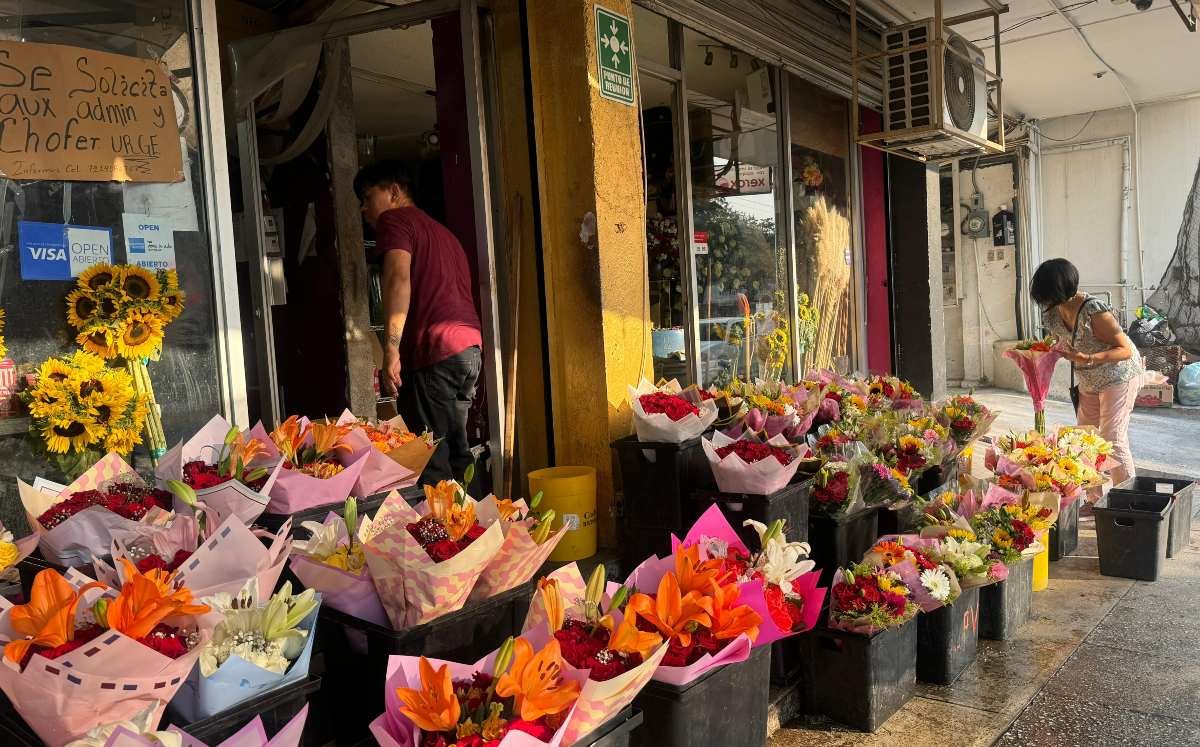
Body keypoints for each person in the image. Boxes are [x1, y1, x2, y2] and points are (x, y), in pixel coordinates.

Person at [355, 160, 483, 485]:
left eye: (368, 197)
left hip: (434, 353)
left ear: (394, 191)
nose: (363, 208)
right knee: (458, 453)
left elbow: (398, 280)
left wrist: (391, 349)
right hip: (467, 352)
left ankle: (443, 519)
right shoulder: (443, 234)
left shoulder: (394, 220)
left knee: (431, 461)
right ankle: (477, 516)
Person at [1030, 258, 1144, 491]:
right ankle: (1093, 500)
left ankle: (1127, 499)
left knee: (1112, 438)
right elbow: (1059, 340)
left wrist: (1089, 358)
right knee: (1084, 438)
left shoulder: (1094, 311)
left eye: (1048, 295)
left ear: (1061, 289)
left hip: (1119, 375)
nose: (1046, 302)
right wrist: (1041, 351)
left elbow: (1124, 350)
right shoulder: (1053, 312)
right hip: (1088, 379)